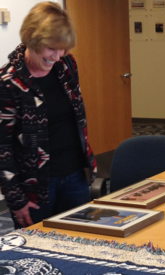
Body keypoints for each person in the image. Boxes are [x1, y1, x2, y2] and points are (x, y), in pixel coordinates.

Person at [0, 2, 97, 229]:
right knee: (40, 251)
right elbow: (2, 147)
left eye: (62, 48)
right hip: (34, 188)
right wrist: (15, 199)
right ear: (33, 40)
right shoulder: (9, 81)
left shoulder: (66, 66)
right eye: (51, 48)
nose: (57, 55)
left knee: (83, 243)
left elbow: (76, 119)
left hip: (74, 175)